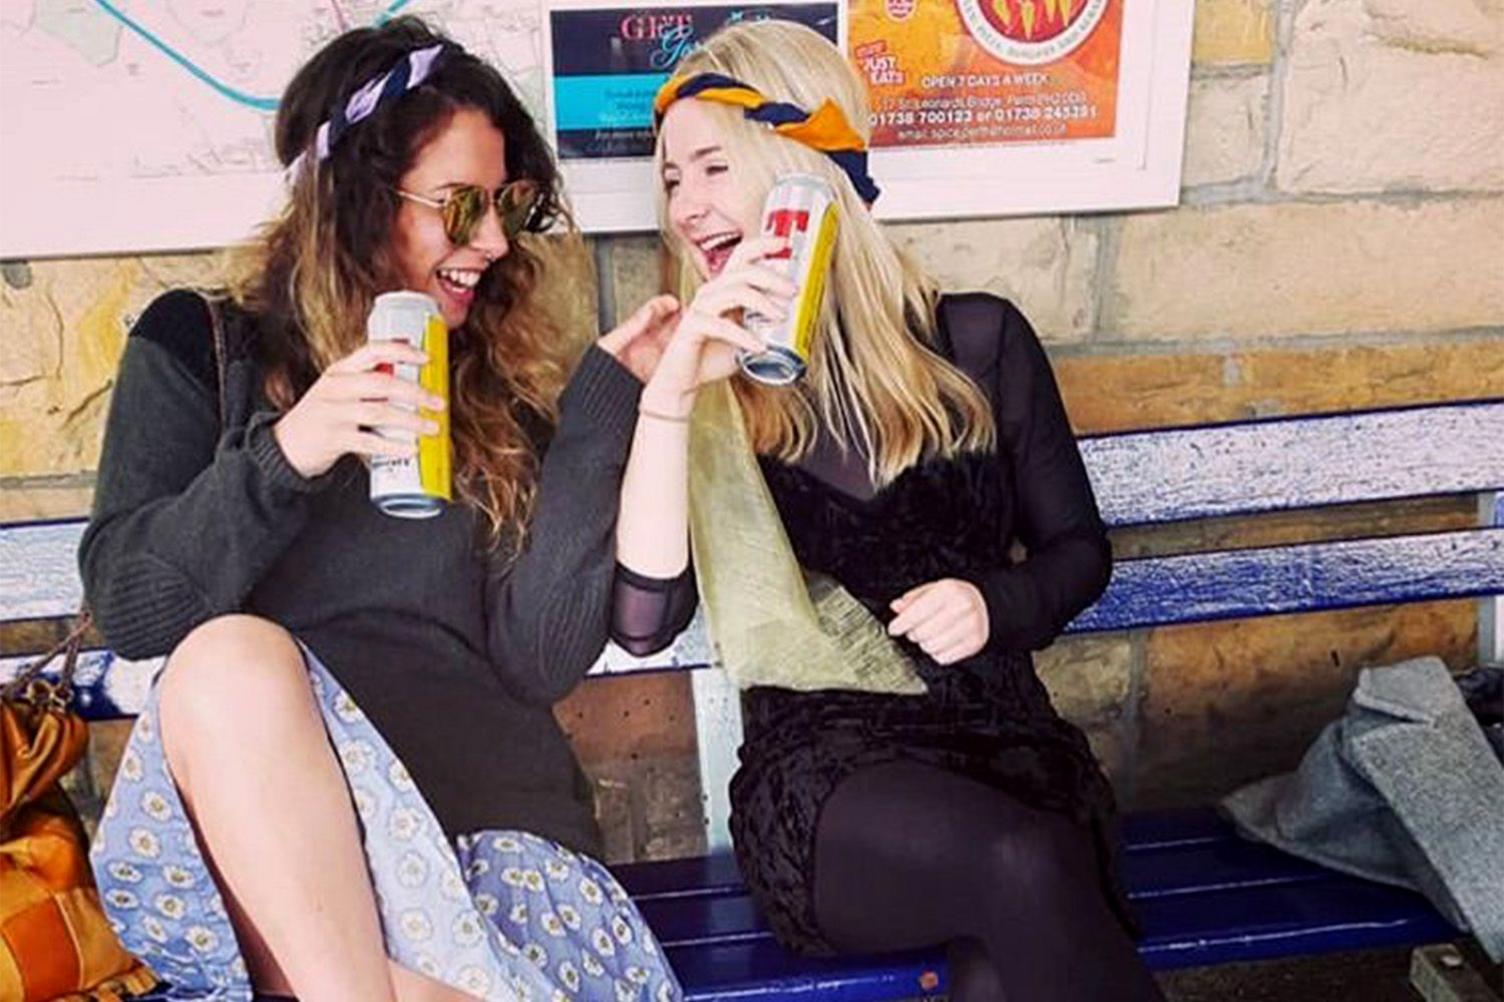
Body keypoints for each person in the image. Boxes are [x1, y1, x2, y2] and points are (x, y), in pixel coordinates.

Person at [82, 17, 682, 1002]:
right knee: (233, 657)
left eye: (510, 206)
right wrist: (291, 453)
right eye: (462, 206)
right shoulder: (203, 348)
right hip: (287, 881)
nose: (493, 240)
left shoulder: (499, 384)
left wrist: (601, 407)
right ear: (354, 202)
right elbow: (133, 610)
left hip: (486, 850)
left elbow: (539, 659)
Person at [609, 19, 1164, 1001]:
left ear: (800, 163)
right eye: (669, 182)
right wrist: (667, 399)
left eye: (710, 168)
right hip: (828, 774)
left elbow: (1078, 551)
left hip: (1008, 744)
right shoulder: (701, 382)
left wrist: (998, 603)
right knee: (1023, 864)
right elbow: (645, 621)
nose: (687, 209)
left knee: (1004, 952)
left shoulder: (976, 341)